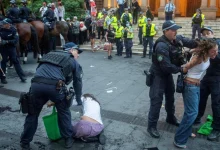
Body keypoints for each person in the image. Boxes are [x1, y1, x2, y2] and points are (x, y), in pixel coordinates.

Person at [20, 42, 83, 149]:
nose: (78, 55)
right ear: (71, 50)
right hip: (55, 87)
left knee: (33, 114)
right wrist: (78, 99)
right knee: (64, 111)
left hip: (36, 85)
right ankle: (68, 139)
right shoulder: (72, 60)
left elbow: (39, 70)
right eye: (77, 51)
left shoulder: (49, 54)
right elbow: (78, 82)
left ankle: (25, 142)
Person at [147, 20, 198, 138]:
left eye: (176, 29)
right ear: (165, 31)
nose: (175, 31)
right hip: (158, 75)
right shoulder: (161, 45)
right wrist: (182, 69)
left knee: (170, 97)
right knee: (156, 101)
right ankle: (152, 126)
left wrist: (205, 43)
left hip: (167, 75)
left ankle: (170, 118)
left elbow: (191, 42)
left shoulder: (177, 39)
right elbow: (166, 67)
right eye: (173, 29)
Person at [174, 39, 218, 149]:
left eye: (217, 51)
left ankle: (187, 132)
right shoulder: (199, 58)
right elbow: (184, 68)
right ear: (207, 50)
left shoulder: (206, 55)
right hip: (190, 86)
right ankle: (179, 140)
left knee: (192, 111)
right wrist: (187, 66)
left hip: (196, 85)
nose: (215, 53)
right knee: (192, 113)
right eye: (213, 51)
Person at [194, 27, 220, 141]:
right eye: (204, 34)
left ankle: (217, 128)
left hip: (218, 78)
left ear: (213, 34)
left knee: (216, 103)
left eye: (208, 33)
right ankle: (197, 117)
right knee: (201, 98)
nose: (206, 35)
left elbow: (216, 57)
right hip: (207, 77)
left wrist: (211, 52)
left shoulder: (217, 44)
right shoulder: (204, 46)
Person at [0, 18, 26, 84]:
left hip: (11, 48)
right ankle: (3, 78)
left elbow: (15, 41)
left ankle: (22, 76)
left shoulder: (13, 30)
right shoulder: (0, 29)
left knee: (16, 61)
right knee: (3, 62)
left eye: (4, 23)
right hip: (3, 49)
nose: (2, 24)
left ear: (8, 24)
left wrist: (7, 41)